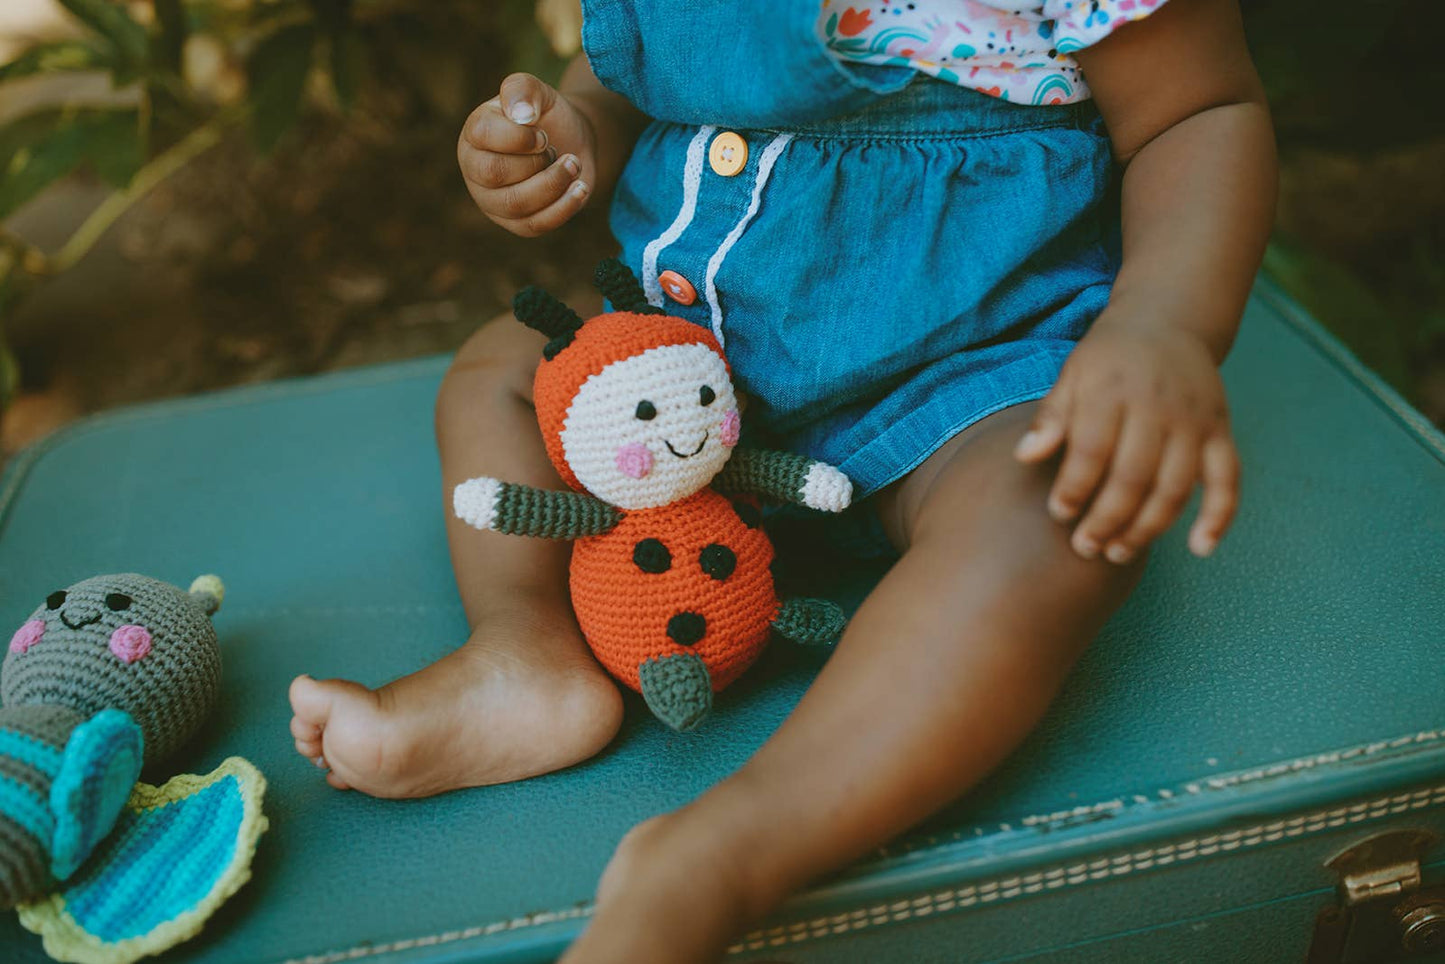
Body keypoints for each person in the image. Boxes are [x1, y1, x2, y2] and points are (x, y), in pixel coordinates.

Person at [291, 0, 1276, 958]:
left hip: (963, 376)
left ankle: (732, 844)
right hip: (686, 370)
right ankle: (527, 652)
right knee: (498, 375)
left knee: (1053, 509)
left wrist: (1160, 325)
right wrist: (569, 132)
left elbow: (1194, 112)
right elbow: (632, 64)